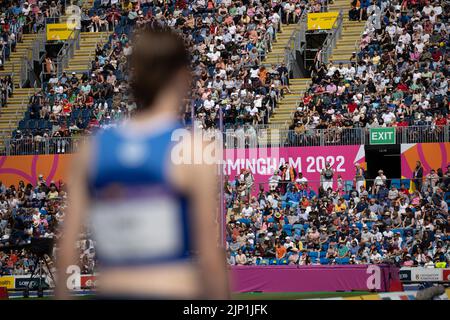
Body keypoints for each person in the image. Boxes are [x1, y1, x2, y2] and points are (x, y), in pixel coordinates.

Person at [56, 30, 229, 299]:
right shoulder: (190, 149)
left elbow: (67, 249)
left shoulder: (92, 148)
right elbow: (209, 254)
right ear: (184, 77)